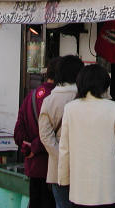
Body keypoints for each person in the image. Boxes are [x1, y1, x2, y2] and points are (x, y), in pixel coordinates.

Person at [58, 64, 115, 208]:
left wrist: (63, 178)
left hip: (80, 187)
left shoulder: (70, 108)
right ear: (104, 85)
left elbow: (64, 149)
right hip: (109, 188)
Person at [39, 55, 84, 208]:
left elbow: (45, 136)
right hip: (83, 166)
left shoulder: (49, 100)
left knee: (62, 204)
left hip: (58, 168)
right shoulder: (84, 98)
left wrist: (61, 155)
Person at [14, 57, 60, 208]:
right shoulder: (57, 99)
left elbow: (18, 133)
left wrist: (28, 148)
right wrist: (37, 146)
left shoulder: (31, 96)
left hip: (33, 166)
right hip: (51, 167)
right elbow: (50, 133)